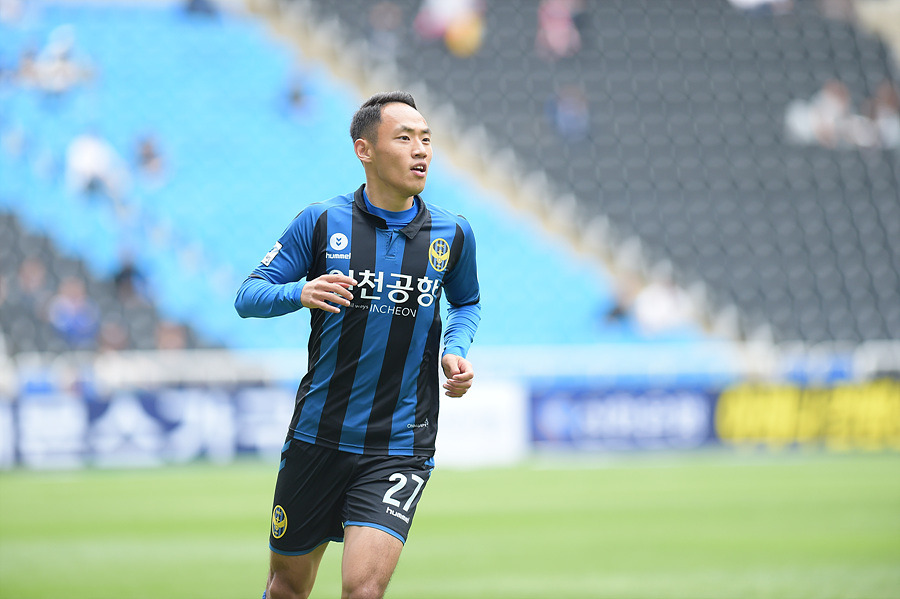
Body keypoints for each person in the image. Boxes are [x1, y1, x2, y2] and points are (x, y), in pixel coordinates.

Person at [234, 91, 481, 599]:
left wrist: (455, 348)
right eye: (404, 138)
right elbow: (248, 296)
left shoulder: (453, 233)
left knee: (363, 592)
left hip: (400, 443)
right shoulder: (321, 222)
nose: (421, 150)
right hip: (319, 434)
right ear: (364, 150)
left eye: (426, 138)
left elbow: (467, 303)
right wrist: (299, 292)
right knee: (287, 588)